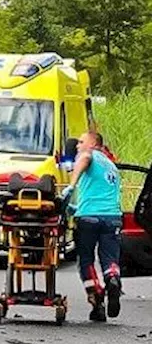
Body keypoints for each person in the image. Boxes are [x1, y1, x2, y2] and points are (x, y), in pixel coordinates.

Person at [63, 131, 124, 322]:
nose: (78, 146)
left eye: (81, 142)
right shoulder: (111, 166)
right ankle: (113, 278)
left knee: (86, 260)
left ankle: (97, 301)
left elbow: (85, 157)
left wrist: (71, 186)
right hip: (112, 218)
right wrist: (74, 209)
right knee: (109, 258)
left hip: (89, 218)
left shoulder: (89, 155)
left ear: (93, 143)